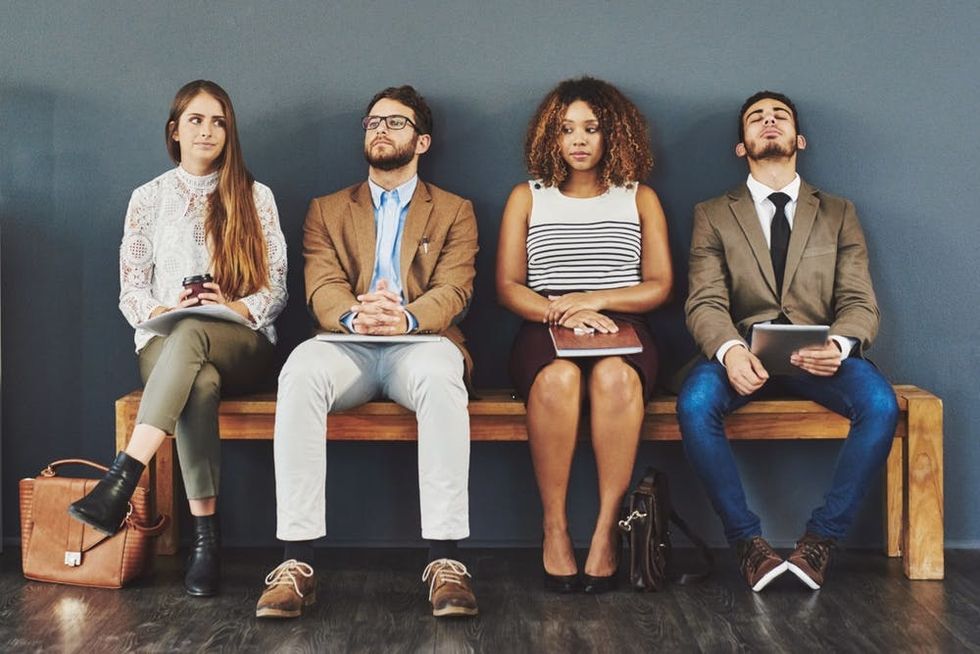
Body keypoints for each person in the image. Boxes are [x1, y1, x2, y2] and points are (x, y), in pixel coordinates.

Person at [256, 85, 479, 619]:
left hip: (421, 342)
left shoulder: (454, 210)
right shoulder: (327, 209)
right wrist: (358, 316)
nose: (380, 129)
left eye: (395, 122)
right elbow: (321, 284)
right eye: (373, 121)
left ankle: (446, 560)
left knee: (442, 378)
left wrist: (405, 317)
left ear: (422, 141)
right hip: (346, 342)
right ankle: (296, 562)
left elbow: (456, 289)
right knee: (300, 372)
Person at [68, 80, 288, 597]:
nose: (208, 130)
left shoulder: (255, 196)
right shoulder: (147, 198)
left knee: (197, 337)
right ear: (175, 130)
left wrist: (228, 304)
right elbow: (131, 293)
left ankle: (122, 478)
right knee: (199, 381)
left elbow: (276, 290)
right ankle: (206, 539)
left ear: (229, 132)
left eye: (218, 122)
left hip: (242, 341)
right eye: (196, 120)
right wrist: (168, 309)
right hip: (164, 342)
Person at [678, 90, 899, 592]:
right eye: (756, 118)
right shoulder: (712, 214)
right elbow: (704, 301)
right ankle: (747, 544)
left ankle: (820, 541)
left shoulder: (839, 211)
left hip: (821, 358)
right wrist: (731, 351)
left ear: (800, 139)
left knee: (881, 405)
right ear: (742, 146)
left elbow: (860, 302)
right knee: (694, 403)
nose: (769, 120)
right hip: (740, 355)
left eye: (780, 115)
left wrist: (838, 347)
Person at [496, 77, 673, 593]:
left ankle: (605, 531)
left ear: (613, 135)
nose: (578, 139)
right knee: (559, 381)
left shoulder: (640, 197)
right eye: (566, 129)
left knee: (616, 379)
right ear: (549, 137)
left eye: (591, 129)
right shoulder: (527, 197)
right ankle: (554, 528)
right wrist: (561, 312)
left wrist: (595, 300)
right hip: (545, 327)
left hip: (624, 326)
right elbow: (508, 286)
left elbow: (660, 284)